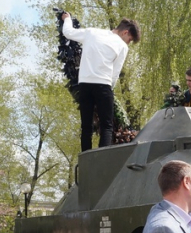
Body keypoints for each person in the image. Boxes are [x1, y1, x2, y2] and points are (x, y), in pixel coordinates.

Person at [59, 12, 139, 151]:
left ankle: (86, 159)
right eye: (129, 39)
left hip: (84, 85)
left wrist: (67, 19)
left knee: (86, 126)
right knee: (106, 126)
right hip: (103, 85)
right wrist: (110, 91)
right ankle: (103, 161)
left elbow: (68, 32)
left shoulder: (92, 33)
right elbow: (115, 73)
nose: (128, 43)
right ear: (125, 32)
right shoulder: (122, 46)